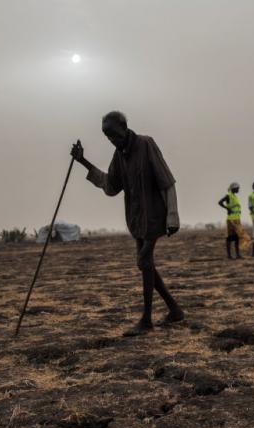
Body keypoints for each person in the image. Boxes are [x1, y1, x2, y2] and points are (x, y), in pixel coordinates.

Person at [70, 111, 184, 336]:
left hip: (154, 217)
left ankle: (147, 320)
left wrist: (172, 215)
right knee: (146, 265)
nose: (111, 138)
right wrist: (82, 161)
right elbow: (110, 186)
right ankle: (175, 309)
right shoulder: (119, 155)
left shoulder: (146, 144)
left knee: (144, 261)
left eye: (112, 133)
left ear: (123, 127)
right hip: (136, 220)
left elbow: (167, 181)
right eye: (106, 135)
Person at [218, 182, 250, 259]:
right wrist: (227, 208)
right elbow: (220, 202)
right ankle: (229, 255)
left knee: (237, 237)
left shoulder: (235, 197)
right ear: (233, 188)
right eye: (237, 188)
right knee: (229, 237)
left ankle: (237, 254)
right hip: (231, 220)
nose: (238, 189)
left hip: (237, 219)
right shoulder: (228, 195)